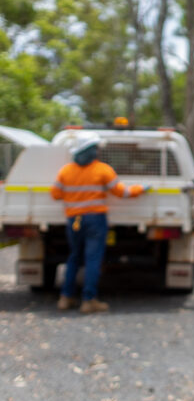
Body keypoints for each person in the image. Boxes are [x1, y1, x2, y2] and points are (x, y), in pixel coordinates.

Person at [51, 132, 149, 314]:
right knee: (92, 259)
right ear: (94, 150)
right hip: (95, 220)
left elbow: (55, 194)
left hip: (74, 221)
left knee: (74, 257)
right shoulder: (102, 170)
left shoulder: (66, 171)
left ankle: (65, 298)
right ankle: (88, 300)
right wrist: (141, 189)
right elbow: (122, 192)